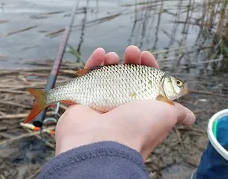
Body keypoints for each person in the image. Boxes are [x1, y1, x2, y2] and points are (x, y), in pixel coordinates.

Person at [37, 45, 196, 179]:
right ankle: (44, 98)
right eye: (178, 83)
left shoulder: (158, 90)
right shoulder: (158, 91)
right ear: (165, 83)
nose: (181, 88)